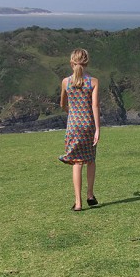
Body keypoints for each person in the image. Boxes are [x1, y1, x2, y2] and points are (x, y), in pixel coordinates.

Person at [58, 49, 101, 211]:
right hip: (88, 125)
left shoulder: (66, 82)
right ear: (87, 62)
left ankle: (78, 202)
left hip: (73, 125)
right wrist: (97, 129)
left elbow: (62, 104)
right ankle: (90, 194)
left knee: (77, 162)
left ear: (71, 63)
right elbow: (95, 106)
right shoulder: (93, 82)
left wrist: (72, 113)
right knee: (90, 159)